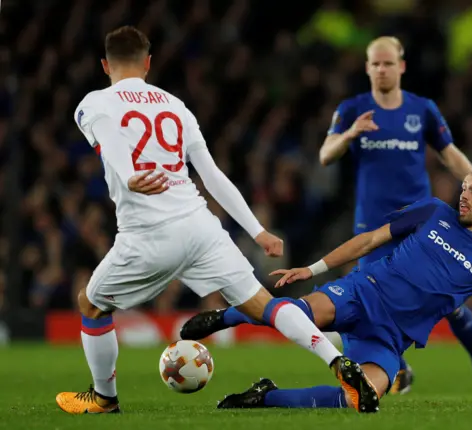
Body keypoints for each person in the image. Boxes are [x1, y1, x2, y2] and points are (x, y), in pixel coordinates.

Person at [56, 26, 378, 415]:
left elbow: (108, 138)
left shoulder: (95, 102)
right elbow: (211, 175)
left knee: (90, 304)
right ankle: (335, 360)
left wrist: (128, 176)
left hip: (149, 233)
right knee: (264, 304)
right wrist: (257, 230)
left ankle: (104, 399)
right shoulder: (176, 106)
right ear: (148, 63)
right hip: (202, 226)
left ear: (105, 64)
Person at [181, 163, 472, 411]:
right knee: (294, 315)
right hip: (362, 294)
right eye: (464, 187)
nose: (464, 195)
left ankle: (264, 397)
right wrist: (314, 268)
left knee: (364, 398)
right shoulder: (434, 212)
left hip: (391, 337)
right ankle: (226, 316)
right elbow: (370, 241)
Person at [318, 36, 472, 394]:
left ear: (401, 66)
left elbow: (450, 153)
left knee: (449, 303)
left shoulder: (421, 109)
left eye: (388, 63)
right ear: (367, 68)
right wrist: (350, 133)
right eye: (375, 64)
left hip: (422, 221)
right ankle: (396, 368)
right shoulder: (352, 109)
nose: (382, 69)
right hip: (374, 225)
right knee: (371, 301)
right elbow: (325, 155)